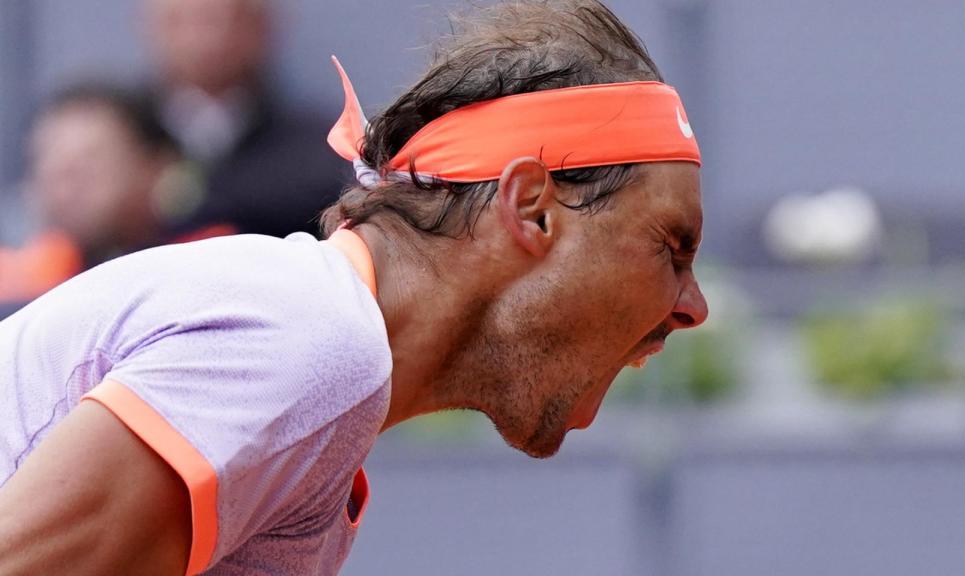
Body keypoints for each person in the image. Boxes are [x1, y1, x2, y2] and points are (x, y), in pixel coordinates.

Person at [0, 1, 707, 574]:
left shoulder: (320, 356)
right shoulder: (311, 338)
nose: (693, 308)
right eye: (671, 247)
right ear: (530, 209)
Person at [0, 83, 226, 313]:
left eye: (89, 162)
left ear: (155, 167)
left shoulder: (212, 268)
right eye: (49, 161)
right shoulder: (19, 280)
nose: (64, 185)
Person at [144, 0, 349, 238]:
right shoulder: (122, 140)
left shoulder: (324, 146)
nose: (198, 38)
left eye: (215, 20)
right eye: (179, 21)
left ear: (261, 28)